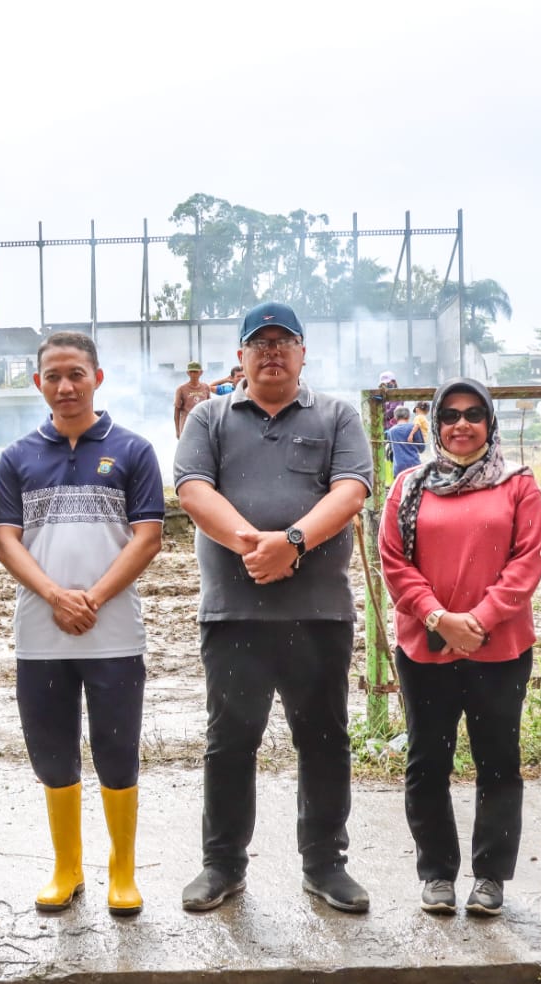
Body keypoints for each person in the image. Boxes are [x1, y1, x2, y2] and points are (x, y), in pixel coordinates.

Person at [173, 301, 373, 914]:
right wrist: (253, 547)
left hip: (318, 614)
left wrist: (292, 543)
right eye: (259, 343)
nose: (272, 352)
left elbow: (352, 490)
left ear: (303, 352)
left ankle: (325, 865)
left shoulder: (336, 416)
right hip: (234, 615)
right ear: (241, 356)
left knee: (324, 742)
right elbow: (192, 490)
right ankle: (223, 865)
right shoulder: (208, 417)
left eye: (284, 341)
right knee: (230, 742)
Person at [0, 331, 164, 916]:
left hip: (113, 630)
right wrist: (54, 597)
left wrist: (90, 598)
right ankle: (67, 868)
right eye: (52, 376)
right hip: (40, 634)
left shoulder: (134, 451)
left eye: (76, 374)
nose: (65, 387)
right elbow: (6, 541)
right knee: (52, 750)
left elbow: (149, 538)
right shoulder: (18, 458)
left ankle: (122, 870)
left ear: (97, 377)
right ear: (38, 383)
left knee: (117, 748)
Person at [379, 378, 541, 918]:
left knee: (498, 761)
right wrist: (438, 617)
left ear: (490, 423)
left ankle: (491, 876)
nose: (461, 424)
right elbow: (394, 562)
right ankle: (437, 874)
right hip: (426, 649)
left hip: (499, 649)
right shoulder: (409, 486)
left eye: (474, 414)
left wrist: (477, 619)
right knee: (428, 759)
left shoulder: (518, 486)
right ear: (435, 421)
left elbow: (528, 562)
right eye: (449, 415)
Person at [174, 361, 213, 438]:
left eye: (195, 372)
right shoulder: (181, 389)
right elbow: (177, 411)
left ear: (201, 372)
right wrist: (177, 431)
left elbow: (210, 408)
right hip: (187, 426)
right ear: (187, 373)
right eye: (191, 372)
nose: (193, 374)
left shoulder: (205, 387)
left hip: (202, 425)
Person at [385, 404, 426, 475]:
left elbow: (391, 450)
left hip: (398, 469)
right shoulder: (413, 428)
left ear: (395, 417)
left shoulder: (391, 431)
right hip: (414, 466)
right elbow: (422, 448)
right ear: (408, 416)